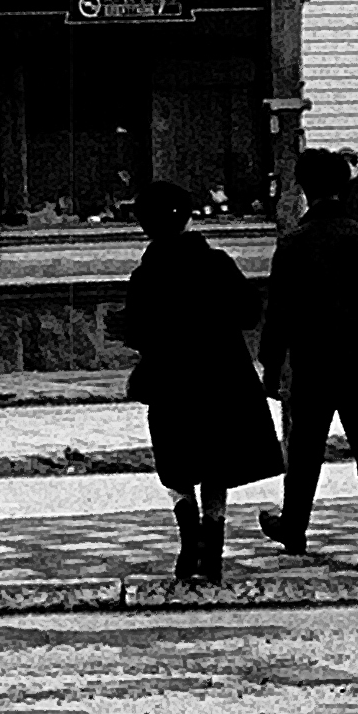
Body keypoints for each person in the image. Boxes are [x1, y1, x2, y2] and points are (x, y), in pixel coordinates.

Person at [108, 181, 281, 583]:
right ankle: (214, 546)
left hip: (170, 381)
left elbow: (137, 333)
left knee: (177, 462)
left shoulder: (145, 275)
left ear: (144, 226)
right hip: (223, 377)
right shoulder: (217, 263)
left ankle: (189, 541)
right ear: (188, 217)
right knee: (216, 462)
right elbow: (250, 312)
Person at [261, 147, 358, 570]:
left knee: (304, 452)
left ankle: (295, 527)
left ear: (304, 188)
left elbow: (279, 311)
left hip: (314, 363)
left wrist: (272, 365)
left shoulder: (295, 245)